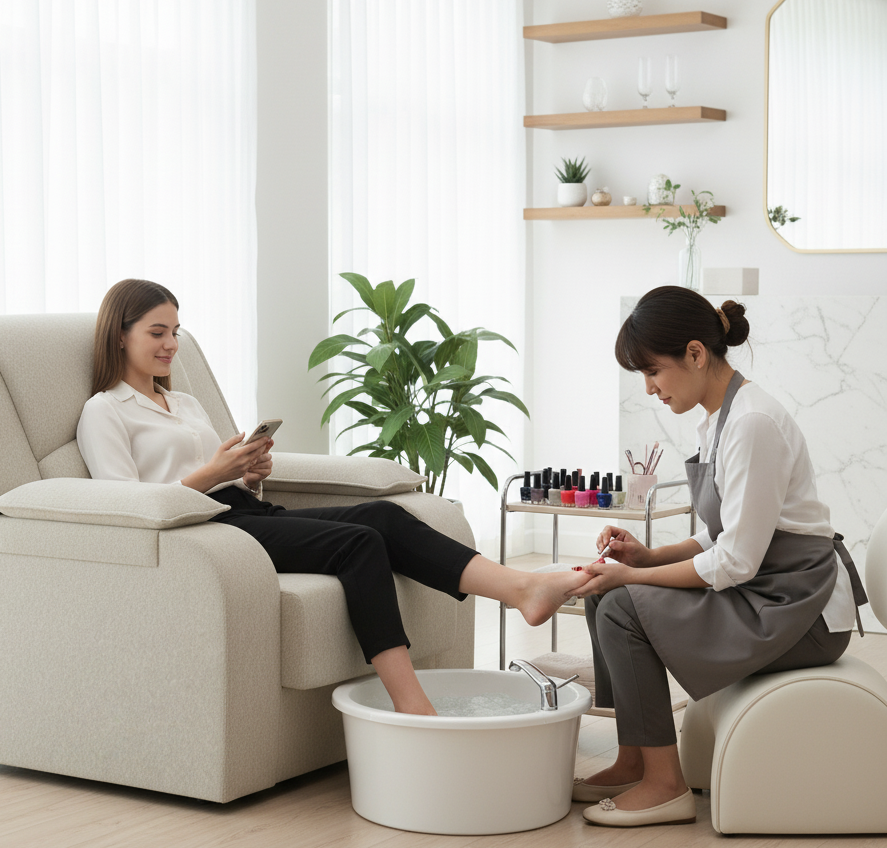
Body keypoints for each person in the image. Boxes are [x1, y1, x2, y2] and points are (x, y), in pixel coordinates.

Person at [76, 279, 589, 715]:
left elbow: (219, 474)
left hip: (243, 510)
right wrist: (212, 473)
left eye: (176, 333)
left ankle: (520, 588)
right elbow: (124, 507)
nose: (171, 345)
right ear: (120, 336)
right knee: (358, 543)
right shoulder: (105, 411)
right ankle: (414, 707)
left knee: (383, 515)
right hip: (205, 533)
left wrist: (249, 471)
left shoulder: (182, 400)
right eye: (157, 333)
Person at [564, 286, 868, 827]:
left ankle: (665, 786)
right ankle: (635, 759)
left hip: (800, 610)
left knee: (620, 602)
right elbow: (721, 537)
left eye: (653, 371)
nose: (650, 388)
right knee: (610, 593)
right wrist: (647, 557)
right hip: (770, 592)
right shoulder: (720, 420)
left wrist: (633, 577)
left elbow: (735, 563)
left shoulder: (751, 424)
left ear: (696, 354)